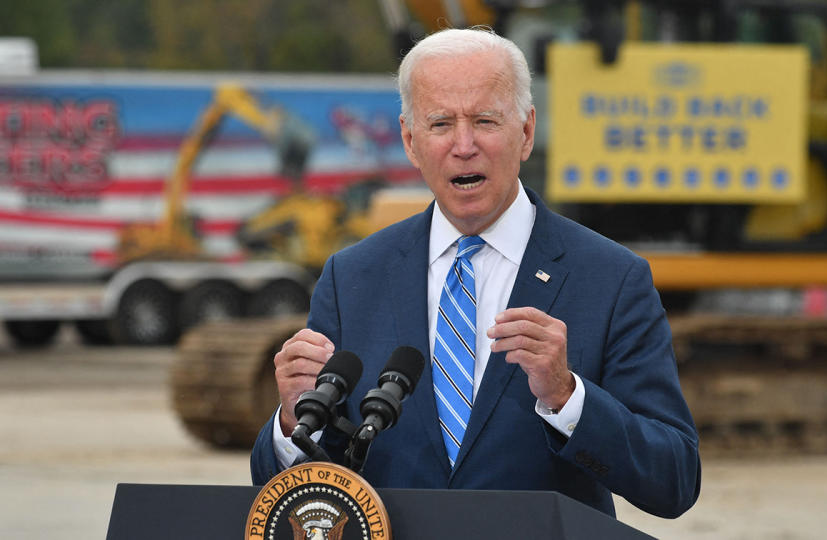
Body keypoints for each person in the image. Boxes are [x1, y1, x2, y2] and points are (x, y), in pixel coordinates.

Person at [251, 26, 700, 519]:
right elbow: (297, 493)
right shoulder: (352, 276)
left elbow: (673, 480)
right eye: (441, 124)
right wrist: (296, 418)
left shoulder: (612, 279)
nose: (464, 145)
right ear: (410, 140)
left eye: (485, 120)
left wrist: (568, 398)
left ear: (526, 132)